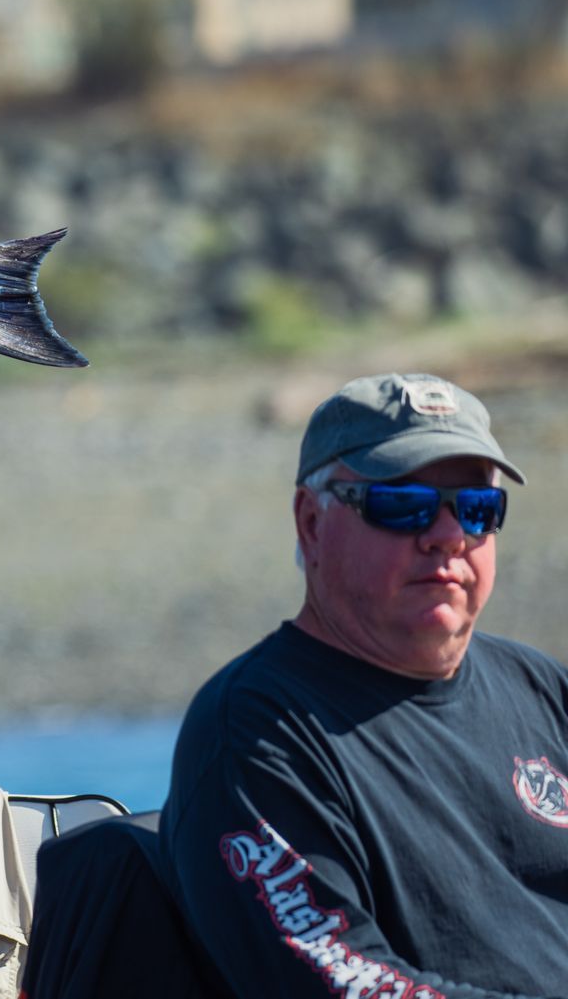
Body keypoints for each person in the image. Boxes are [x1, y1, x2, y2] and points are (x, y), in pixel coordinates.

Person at [160, 372, 568, 997]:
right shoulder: (255, 735)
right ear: (312, 524)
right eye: (403, 505)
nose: (446, 535)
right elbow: (346, 982)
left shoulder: (543, 690)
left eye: (477, 508)